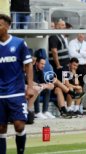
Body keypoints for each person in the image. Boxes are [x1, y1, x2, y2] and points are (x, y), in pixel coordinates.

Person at [0, 14, 34, 154]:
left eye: (0, 24)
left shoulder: (19, 43)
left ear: (8, 26)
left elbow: (28, 65)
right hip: (0, 94)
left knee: (19, 126)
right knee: (1, 128)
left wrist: (30, 87)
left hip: (17, 92)